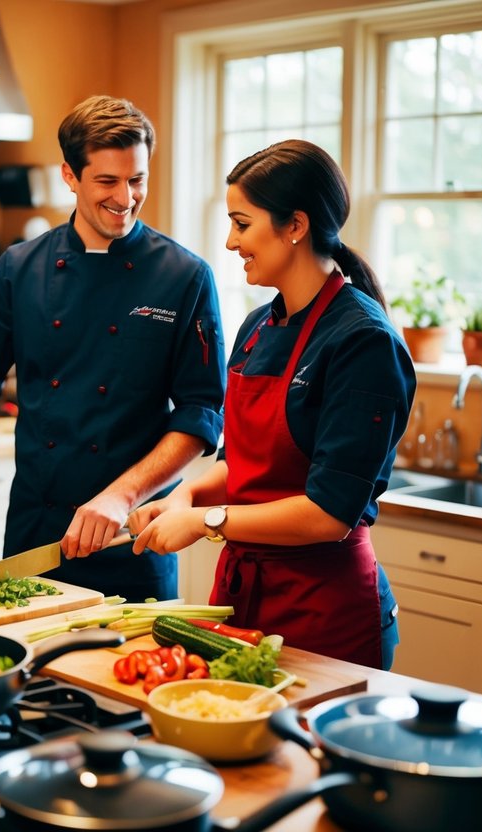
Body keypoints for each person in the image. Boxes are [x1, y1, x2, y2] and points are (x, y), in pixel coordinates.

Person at [0, 95, 225, 601]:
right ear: (70, 176)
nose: (126, 198)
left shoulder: (184, 276)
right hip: (35, 532)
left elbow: (200, 414)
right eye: (107, 181)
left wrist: (121, 496)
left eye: (138, 180)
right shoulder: (21, 268)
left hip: (131, 534)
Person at [127, 139, 414, 669]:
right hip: (245, 602)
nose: (231, 241)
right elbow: (239, 463)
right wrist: (182, 497)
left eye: (242, 223)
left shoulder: (363, 342)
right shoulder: (259, 326)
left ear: (295, 226)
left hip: (327, 613)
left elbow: (329, 514)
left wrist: (206, 522)